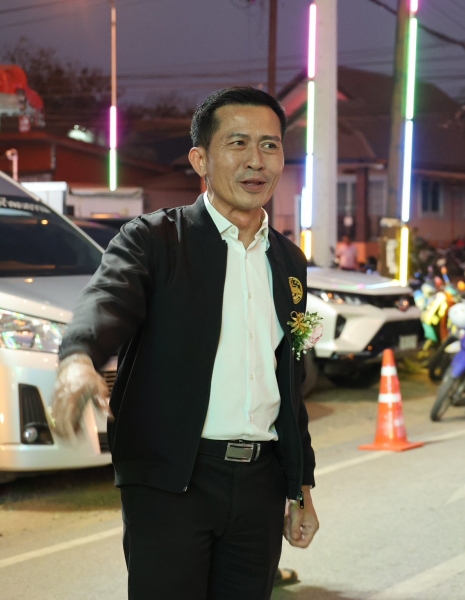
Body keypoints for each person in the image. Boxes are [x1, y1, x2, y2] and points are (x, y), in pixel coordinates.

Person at [50, 87, 319, 600]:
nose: (256, 160)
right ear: (200, 159)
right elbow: (106, 300)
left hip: (260, 485)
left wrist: (299, 486)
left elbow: (287, 380)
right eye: (237, 143)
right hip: (171, 479)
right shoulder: (154, 240)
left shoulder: (288, 261)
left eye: (269, 145)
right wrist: (79, 358)